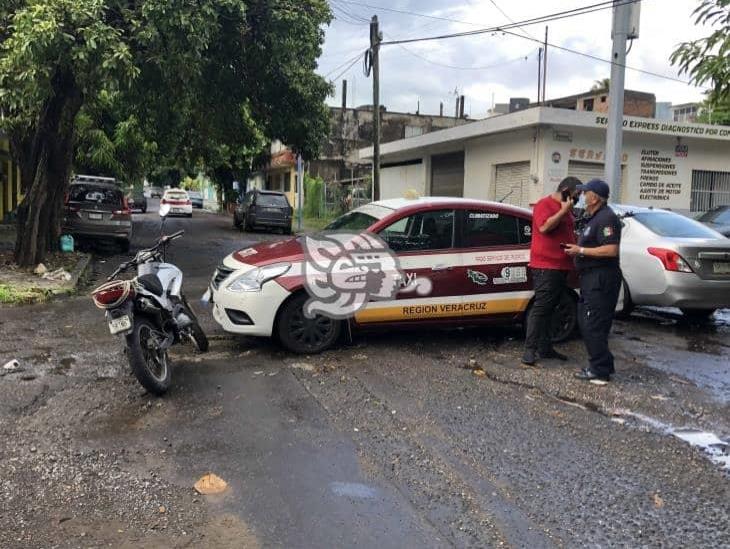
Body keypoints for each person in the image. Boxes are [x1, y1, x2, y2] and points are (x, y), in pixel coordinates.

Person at [564, 179, 622, 383]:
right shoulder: (595, 217)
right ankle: (601, 365)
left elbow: (611, 249)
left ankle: (600, 371)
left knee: (592, 323)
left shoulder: (607, 218)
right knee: (587, 321)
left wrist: (580, 250)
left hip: (601, 279)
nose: (582, 196)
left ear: (595, 197)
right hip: (590, 278)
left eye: (585, 192)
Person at [522, 176, 582, 366]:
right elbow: (544, 227)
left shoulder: (568, 210)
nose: (577, 199)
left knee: (552, 308)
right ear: (565, 190)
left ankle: (545, 347)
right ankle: (529, 350)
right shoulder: (544, 205)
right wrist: (563, 211)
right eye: (575, 195)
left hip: (562, 265)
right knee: (541, 307)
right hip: (546, 266)